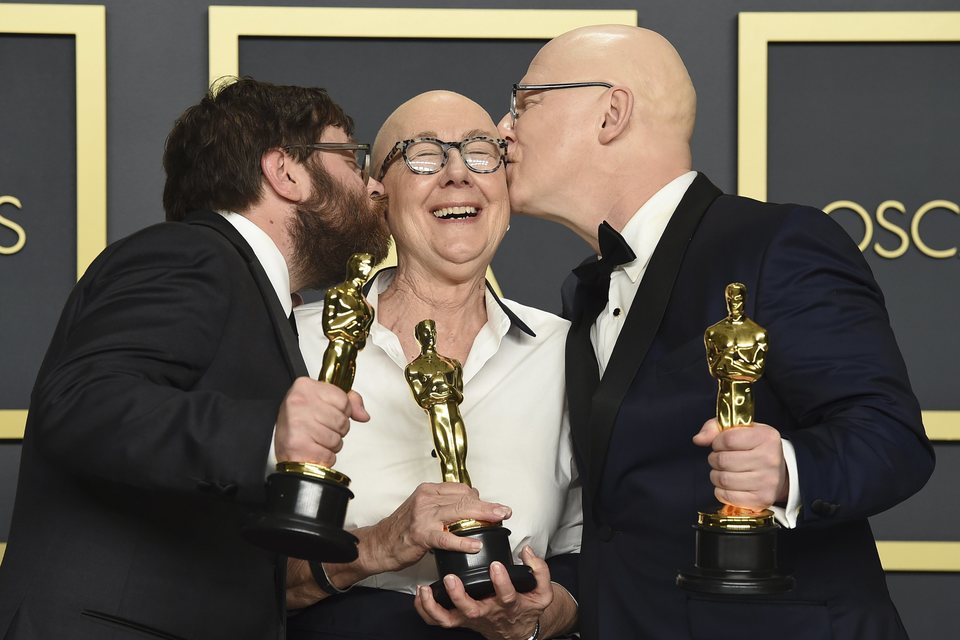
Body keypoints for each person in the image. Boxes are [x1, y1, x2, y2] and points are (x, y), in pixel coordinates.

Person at [496, 25, 935, 640]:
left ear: (611, 112)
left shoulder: (776, 245)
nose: (502, 128)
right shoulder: (587, 292)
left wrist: (786, 469)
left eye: (525, 102)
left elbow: (891, 438)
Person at [0, 77, 389, 640]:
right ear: (286, 172)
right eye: (351, 156)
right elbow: (82, 402)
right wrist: (266, 434)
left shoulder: (257, 295)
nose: (370, 183)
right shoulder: (191, 255)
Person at [287, 90, 581, 640]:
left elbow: (596, 563)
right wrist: (373, 547)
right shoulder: (295, 343)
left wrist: (538, 615)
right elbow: (221, 571)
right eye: (423, 155)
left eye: (481, 153)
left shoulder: (569, 354)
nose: (457, 174)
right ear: (378, 194)